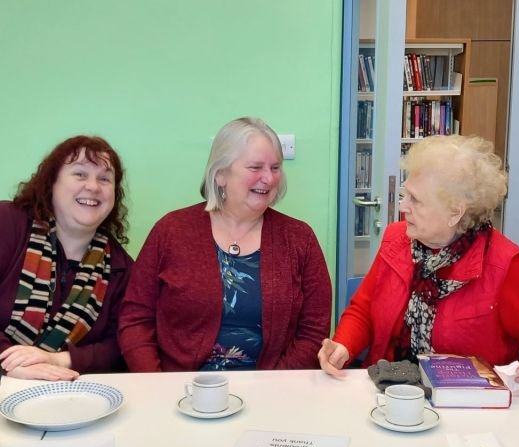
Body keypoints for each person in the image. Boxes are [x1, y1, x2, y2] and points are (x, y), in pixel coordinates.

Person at [318, 135, 519, 388]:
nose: (403, 207)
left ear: (455, 212)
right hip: (388, 393)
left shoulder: (506, 265)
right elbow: (364, 310)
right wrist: (343, 346)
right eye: (405, 195)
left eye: (416, 200)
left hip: (464, 408)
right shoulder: (396, 238)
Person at [119, 117, 331, 371]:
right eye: (255, 167)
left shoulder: (300, 238)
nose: (269, 178)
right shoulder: (171, 231)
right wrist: (157, 383)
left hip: (274, 391)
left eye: (275, 168)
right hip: (179, 390)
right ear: (220, 175)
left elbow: (313, 330)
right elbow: (135, 319)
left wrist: (275, 387)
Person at [0, 136, 133, 380]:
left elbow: (123, 343)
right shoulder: (7, 223)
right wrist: (10, 362)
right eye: (80, 174)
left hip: (67, 389)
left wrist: (58, 359)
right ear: (51, 182)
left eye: (104, 179)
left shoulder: (120, 267)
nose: (93, 186)